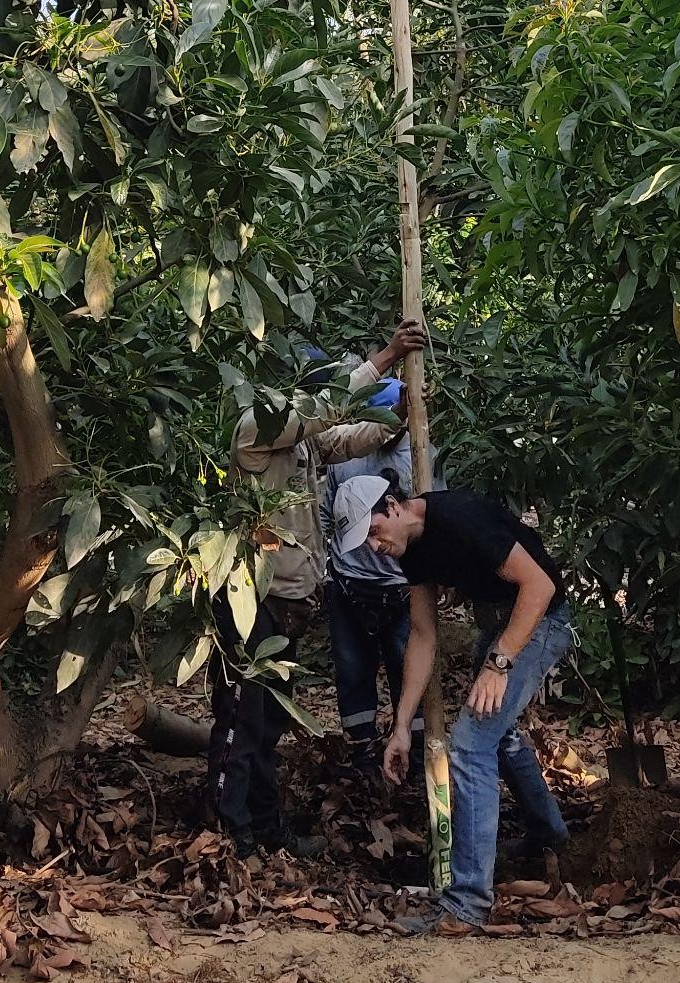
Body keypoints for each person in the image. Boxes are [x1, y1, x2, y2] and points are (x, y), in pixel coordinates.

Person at [207, 321, 424, 857]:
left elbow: (345, 436)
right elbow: (325, 410)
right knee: (242, 720)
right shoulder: (257, 428)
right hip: (247, 598)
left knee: (270, 720)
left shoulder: (301, 440)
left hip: (285, 603)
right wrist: (386, 357)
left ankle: (264, 828)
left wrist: (393, 419)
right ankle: (228, 833)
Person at [330, 478, 572, 933]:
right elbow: (423, 635)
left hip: (540, 619)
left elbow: (538, 586)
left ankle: (466, 904)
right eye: (364, 541)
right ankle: (549, 837)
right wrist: (401, 725)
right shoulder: (413, 551)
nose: (374, 546)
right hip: (502, 621)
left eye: (375, 531)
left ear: (394, 505)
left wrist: (498, 664)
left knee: (470, 744)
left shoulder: (461, 519)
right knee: (497, 734)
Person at [318, 394, 436, 776]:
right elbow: (324, 511)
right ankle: (363, 754)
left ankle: (414, 755)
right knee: (353, 672)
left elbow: (434, 512)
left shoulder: (420, 454)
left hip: (403, 587)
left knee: (409, 668)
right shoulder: (348, 451)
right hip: (350, 585)